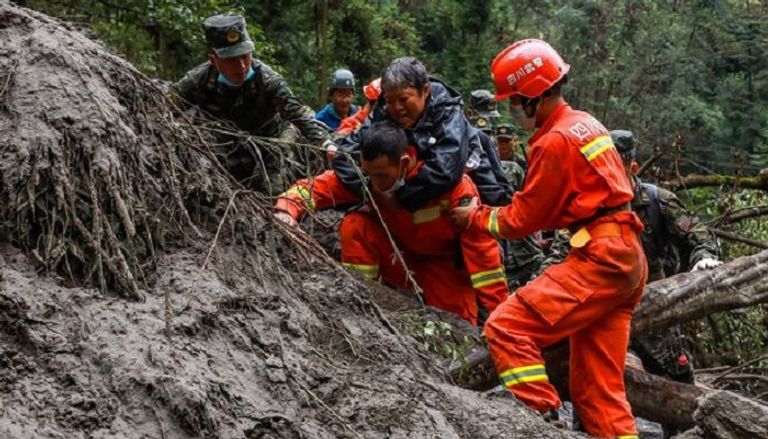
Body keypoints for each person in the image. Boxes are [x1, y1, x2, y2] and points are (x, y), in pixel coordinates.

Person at [452, 39, 647, 438]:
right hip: (625, 254)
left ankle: (542, 424)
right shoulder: (586, 123)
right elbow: (574, 201)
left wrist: (475, 217)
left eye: (514, 101)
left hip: (601, 257)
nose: (512, 111)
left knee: (506, 325)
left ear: (531, 96)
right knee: (598, 391)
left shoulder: (554, 141)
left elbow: (523, 218)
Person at [274, 121, 508, 325]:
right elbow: (313, 188)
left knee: (457, 331)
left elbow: (482, 253)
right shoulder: (370, 176)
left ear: (405, 162)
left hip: (443, 266)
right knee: (356, 225)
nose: (374, 183)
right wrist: (286, 210)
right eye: (369, 174)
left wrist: (500, 313)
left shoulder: (450, 185)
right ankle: (362, 302)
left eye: (382, 176)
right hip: (399, 256)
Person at [169, 13, 333, 189]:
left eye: (245, 56)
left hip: (270, 143)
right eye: (231, 60)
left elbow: (298, 112)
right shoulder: (199, 80)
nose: (241, 66)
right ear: (214, 60)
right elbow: (166, 103)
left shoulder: (267, 79)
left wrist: (326, 143)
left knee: (271, 188)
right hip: (225, 145)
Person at [612, 129, 721, 388]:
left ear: (633, 167)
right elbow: (562, 251)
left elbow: (699, 234)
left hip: (653, 298)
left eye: (617, 166)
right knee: (592, 376)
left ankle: (683, 428)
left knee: (676, 376)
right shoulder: (589, 203)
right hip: (606, 303)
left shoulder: (656, 201)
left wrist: (703, 259)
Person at [332, 57, 512, 212]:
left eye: (403, 99)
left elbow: (445, 170)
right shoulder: (383, 112)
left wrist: (398, 198)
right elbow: (345, 154)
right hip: (411, 211)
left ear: (425, 91)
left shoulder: (447, 112)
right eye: (390, 101)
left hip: (475, 199)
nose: (396, 108)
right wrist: (373, 190)